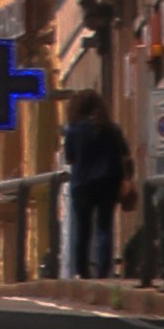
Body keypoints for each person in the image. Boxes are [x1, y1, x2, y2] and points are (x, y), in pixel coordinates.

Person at [63, 89, 131, 280]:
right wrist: (127, 178)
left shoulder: (73, 130)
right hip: (108, 182)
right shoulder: (112, 129)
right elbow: (125, 156)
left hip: (82, 184)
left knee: (83, 230)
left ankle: (81, 272)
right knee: (104, 226)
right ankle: (103, 271)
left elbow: (70, 158)